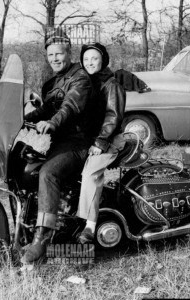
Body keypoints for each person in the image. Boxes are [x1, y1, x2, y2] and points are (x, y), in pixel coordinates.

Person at [21, 29, 97, 263]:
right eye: (50, 55)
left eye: (59, 54)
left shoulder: (80, 78)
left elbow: (69, 106)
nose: (54, 58)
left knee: (48, 172)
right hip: (60, 142)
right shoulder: (51, 83)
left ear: (69, 52)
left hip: (78, 142)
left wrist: (53, 123)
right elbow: (48, 108)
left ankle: (42, 239)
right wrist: (24, 118)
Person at [75, 43, 126, 244]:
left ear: (103, 60)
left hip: (109, 138)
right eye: (86, 59)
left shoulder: (111, 84)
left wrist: (101, 142)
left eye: (94, 58)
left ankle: (90, 226)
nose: (90, 62)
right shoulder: (87, 82)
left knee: (90, 173)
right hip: (92, 138)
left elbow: (113, 117)